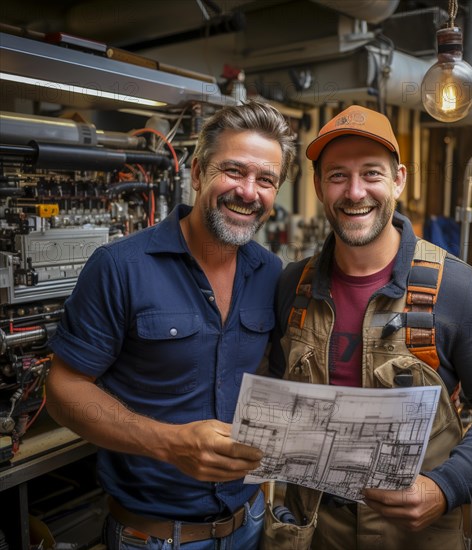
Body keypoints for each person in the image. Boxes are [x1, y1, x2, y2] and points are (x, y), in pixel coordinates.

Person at [266, 105, 472, 550]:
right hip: (313, 531)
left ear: (399, 180)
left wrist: (444, 488)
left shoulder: (456, 288)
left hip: (414, 535)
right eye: (337, 176)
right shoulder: (293, 285)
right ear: (317, 186)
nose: (355, 192)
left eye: (371, 174)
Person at [45, 100, 296, 549]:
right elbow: (63, 390)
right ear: (197, 173)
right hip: (155, 537)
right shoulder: (120, 267)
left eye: (266, 180)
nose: (248, 191)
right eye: (234, 171)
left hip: (251, 523)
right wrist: (168, 443)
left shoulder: (271, 272)